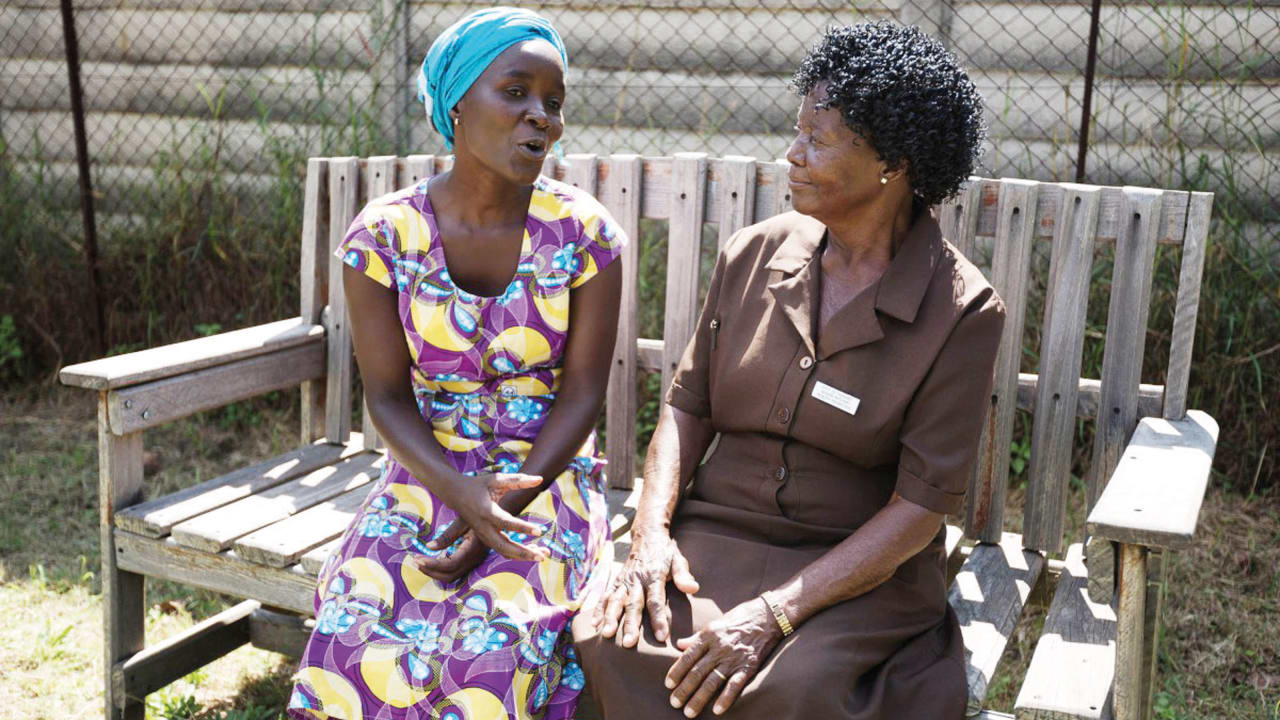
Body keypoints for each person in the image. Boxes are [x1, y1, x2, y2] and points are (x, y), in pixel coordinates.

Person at [574, 22, 1002, 719]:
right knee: (615, 637)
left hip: (849, 570)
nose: (791, 154)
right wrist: (649, 536)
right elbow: (686, 411)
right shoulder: (753, 253)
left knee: (790, 691)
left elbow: (919, 512)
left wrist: (771, 616)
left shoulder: (962, 312)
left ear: (892, 163)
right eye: (796, 129)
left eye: (818, 138)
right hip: (715, 536)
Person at [288, 8, 626, 720]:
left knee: (489, 650)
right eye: (517, 92)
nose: (543, 117)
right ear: (456, 105)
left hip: (544, 475)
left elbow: (583, 396)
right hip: (427, 467)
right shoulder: (383, 236)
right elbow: (385, 399)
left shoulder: (585, 234)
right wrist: (462, 495)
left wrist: (499, 507)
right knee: (354, 625)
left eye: (554, 102)